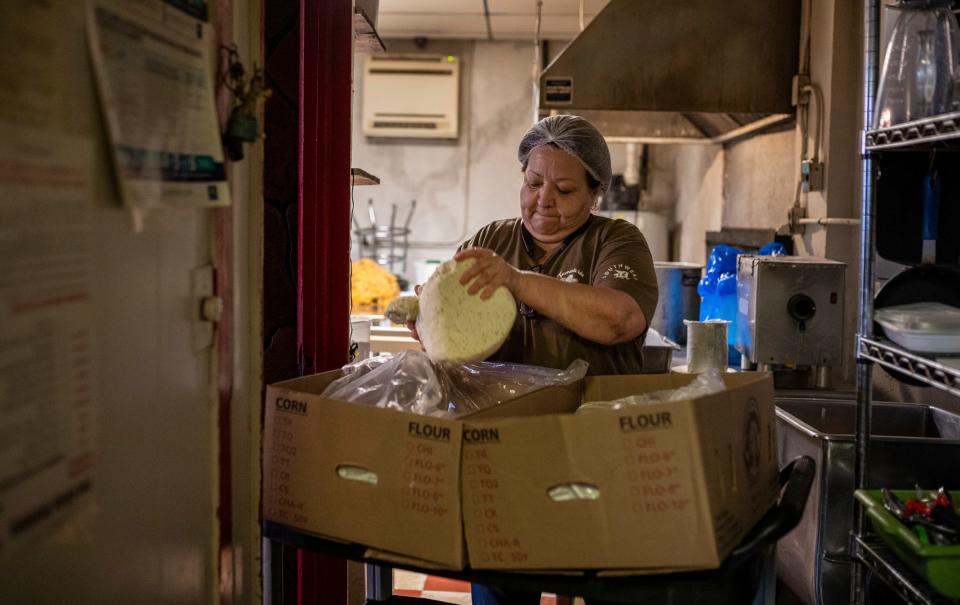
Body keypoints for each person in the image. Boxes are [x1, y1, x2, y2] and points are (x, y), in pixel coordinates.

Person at [409, 114, 659, 604]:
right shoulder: (489, 242)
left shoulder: (615, 241)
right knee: (503, 581)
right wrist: (427, 320)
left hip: (593, 451)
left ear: (595, 193)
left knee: (603, 578)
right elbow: (451, 338)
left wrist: (519, 281)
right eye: (533, 182)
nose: (543, 200)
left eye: (565, 190)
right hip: (503, 450)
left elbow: (620, 320)